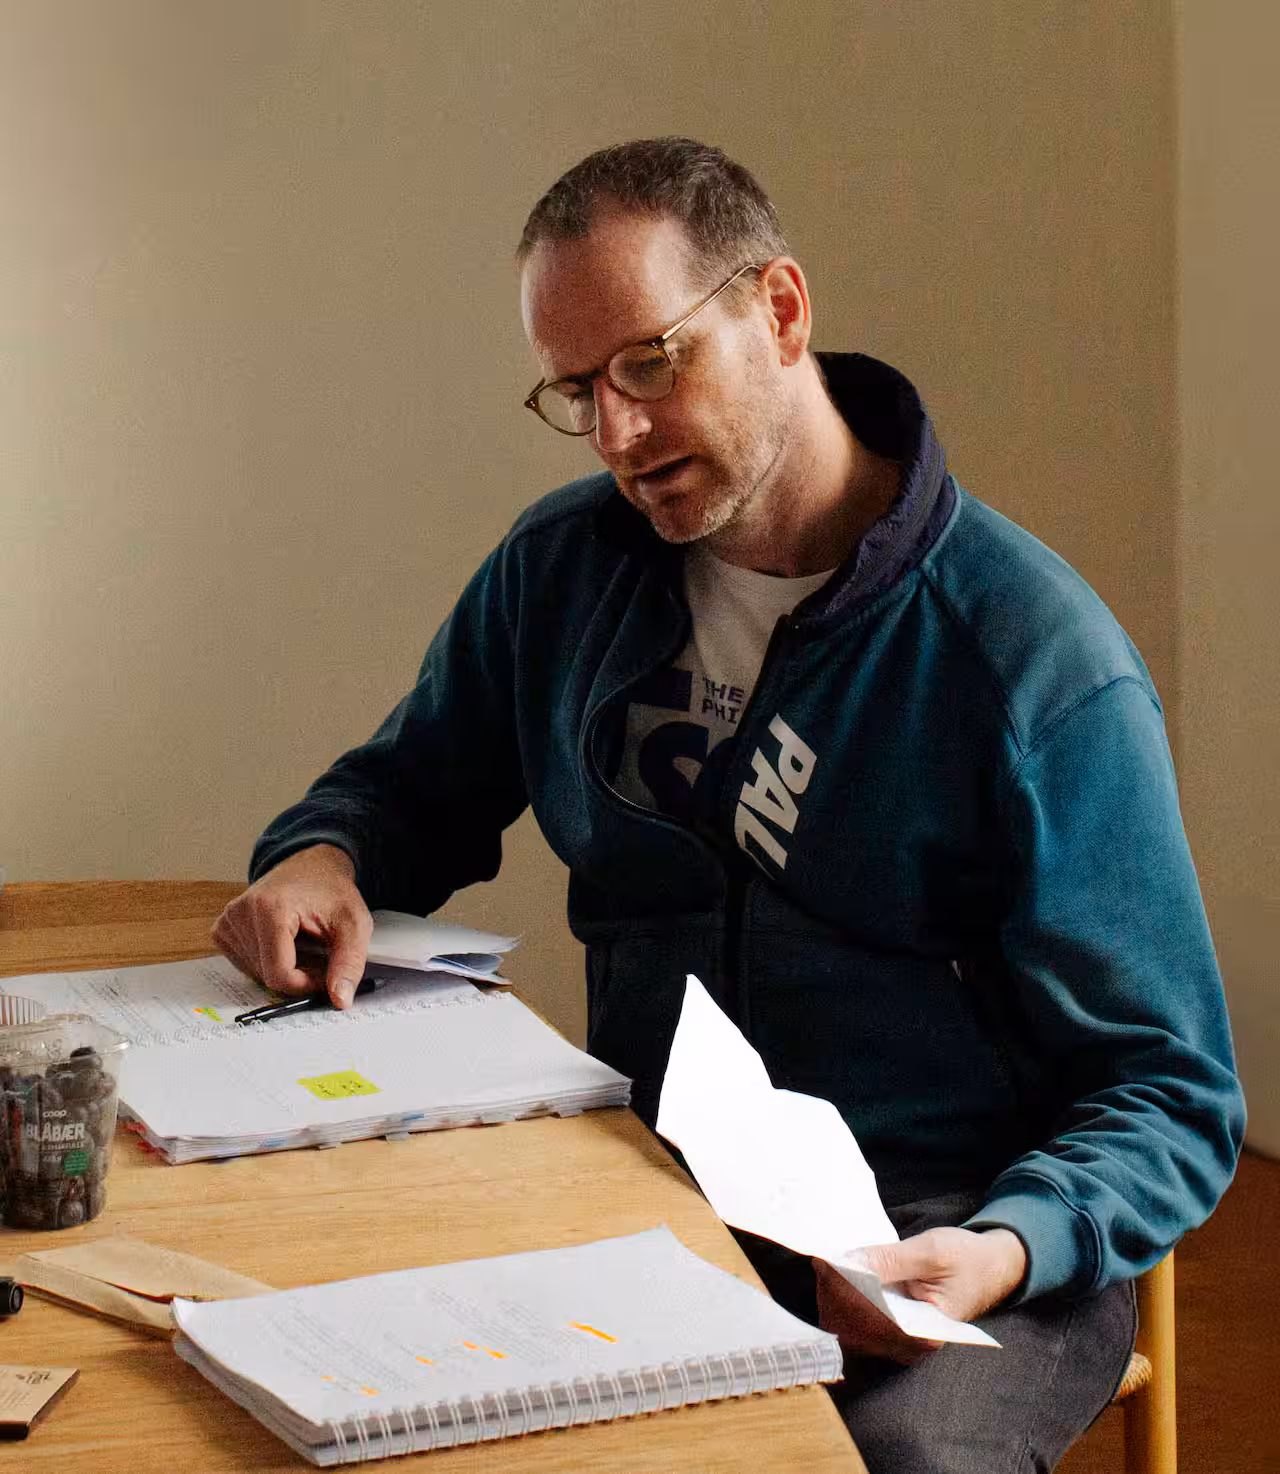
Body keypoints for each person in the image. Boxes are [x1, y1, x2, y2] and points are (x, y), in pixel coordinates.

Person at [213, 138, 1244, 1472]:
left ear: (782, 311)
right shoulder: (561, 574)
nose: (620, 433)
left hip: (953, 1229)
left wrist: (1007, 1243)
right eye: (577, 390)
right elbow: (408, 784)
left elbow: (1170, 1088)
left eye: (651, 361)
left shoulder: (1033, 663)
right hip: (646, 1176)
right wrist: (321, 853)